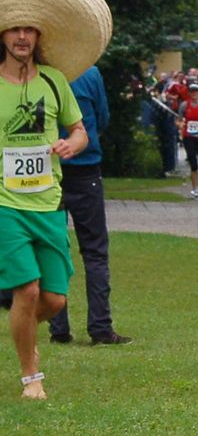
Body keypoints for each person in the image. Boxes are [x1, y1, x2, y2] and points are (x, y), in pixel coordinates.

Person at [0, 0, 107, 399]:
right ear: (3, 34)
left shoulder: (54, 82)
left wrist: (71, 144)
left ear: (39, 36)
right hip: (6, 206)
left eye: (29, 30)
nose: (22, 37)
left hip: (48, 203)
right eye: (14, 29)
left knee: (54, 301)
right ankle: (31, 376)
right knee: (26, 290)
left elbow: (81, 130)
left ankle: (21, 330)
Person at [45, 66, 130, 346]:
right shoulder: (89, 74)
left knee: (54, 249)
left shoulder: (39, 74)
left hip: (47, 170)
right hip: (85, 168)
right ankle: (101, 327)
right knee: (94, 251)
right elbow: (102, 119)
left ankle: (58, 327)